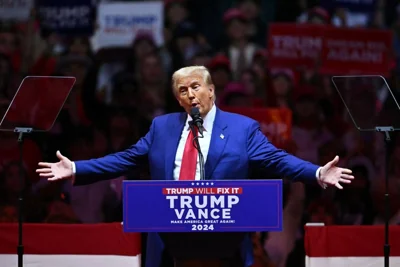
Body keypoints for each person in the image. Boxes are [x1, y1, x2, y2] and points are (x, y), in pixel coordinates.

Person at [36, 66, 354, 267]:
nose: (190, 94)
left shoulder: (243, 129)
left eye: (195, 86)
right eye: (183, 90)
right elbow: (125, 158)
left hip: (225, 239)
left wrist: (316, 172)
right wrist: (77, 168)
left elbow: (277, 159)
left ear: (211, 91)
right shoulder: (161, 128)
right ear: (178, 100)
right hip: (170, 240)